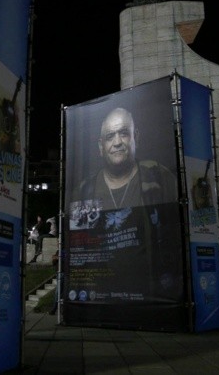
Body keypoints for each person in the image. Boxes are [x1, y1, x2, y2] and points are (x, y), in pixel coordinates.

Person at [73, 107, 180, 296]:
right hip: (102, 300)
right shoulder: (85, 190)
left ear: (136, 137)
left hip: (153, 299)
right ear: (100, 146)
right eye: (110, 136)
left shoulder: (159, 177)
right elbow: (81, 248)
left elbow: (179, 234)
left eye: (124, 133)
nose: (117, 142)